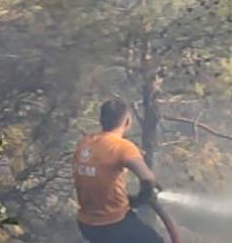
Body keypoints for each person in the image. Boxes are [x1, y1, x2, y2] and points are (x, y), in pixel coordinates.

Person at [73, 98, 182, 243]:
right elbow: (148, 178)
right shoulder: (122, 147)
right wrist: (141, 197)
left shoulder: (85, 143)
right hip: (113, 224)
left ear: (101, 120)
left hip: (86, 225)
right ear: (128, 122)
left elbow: (98, 179)